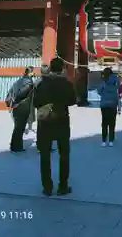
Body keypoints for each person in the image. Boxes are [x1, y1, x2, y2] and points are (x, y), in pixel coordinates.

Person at [33, 57, 76, 196]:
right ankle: (63, 186)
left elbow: (35, 102)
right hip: (61, 120)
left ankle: (47, 187)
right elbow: (72, 101)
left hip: (44, 121)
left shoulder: (41, 84)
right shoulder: (67, 84)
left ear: (50, 68)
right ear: (62, 68)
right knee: (64, 155)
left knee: (45, 155)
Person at [6, 67, 35, 152]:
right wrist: (16, 100)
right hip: (22, 107)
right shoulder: (29, 82)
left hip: (16, 107)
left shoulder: (19, 81)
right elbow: (20, 94)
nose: (34, 74)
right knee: (20, 128)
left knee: (17, 128)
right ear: (30, 73)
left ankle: (13, 145)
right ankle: (17, 147)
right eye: (33, 72)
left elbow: (11, 91)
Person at [98, 67, 120, 147]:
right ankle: (111, 140)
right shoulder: (116, 80)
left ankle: (104, 141)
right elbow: (118, 91)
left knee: (104, 122)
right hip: (113, 104)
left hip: (104, 104)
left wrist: (104, 95)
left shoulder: (104, 81)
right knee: (112, 123)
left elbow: (99, 91)